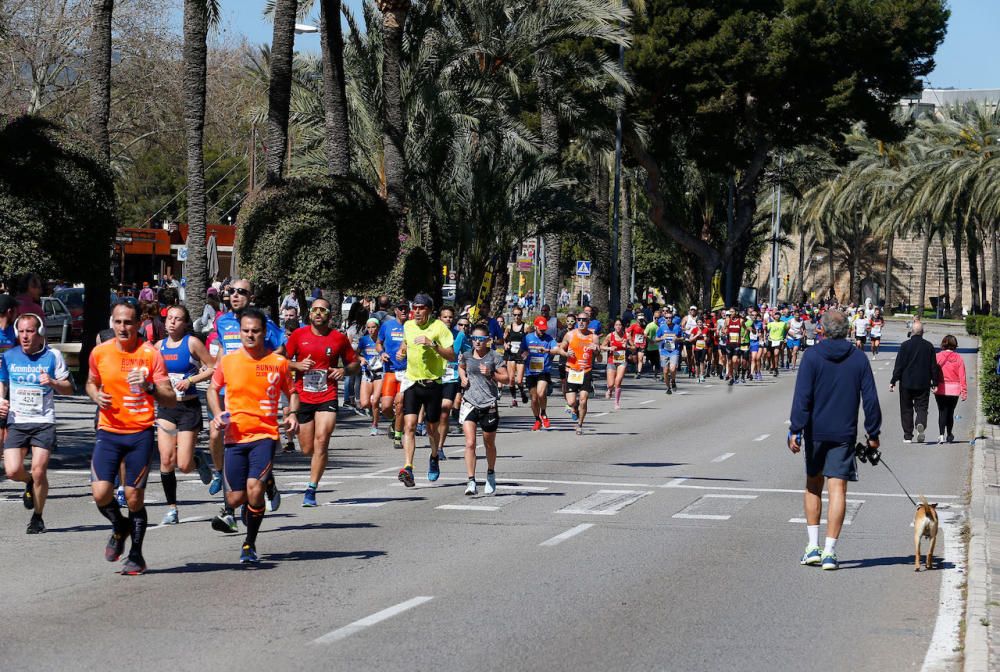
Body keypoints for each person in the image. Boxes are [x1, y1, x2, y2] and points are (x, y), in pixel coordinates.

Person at [86, 301, 176, 574]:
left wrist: (149, 387)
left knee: (134, 498)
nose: (123, 328)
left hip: (139, 433)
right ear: (112, 323)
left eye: (128, 323)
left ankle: (136, 555)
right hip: (109, 431)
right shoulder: (100, 352)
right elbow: (91, 382)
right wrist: (95, 395)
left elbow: (170, 399)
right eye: (118, 322)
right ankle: (119, 525)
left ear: (139, 324)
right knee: (101, 493)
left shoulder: (150, 354)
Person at [788, 310, 881, 571]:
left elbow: (802, 396)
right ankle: (830, 551)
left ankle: (812, 547)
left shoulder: (812, 356)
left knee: (813, 486)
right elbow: (871, 399)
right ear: (848, 330)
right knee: (837, 489)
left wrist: (795, 429)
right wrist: (873, 433)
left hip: (816, 432)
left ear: (823, 330)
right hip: (844, 433)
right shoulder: (858, 358)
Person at [207, 307, 298, 563]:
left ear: (264, 332)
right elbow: (213, 390)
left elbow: (291, 392)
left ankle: (249, 544)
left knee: (254, 492)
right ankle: (268, 483)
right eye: (245, 331)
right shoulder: (229, 361)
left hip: (264, 435)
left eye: (255, 331)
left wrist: (290, 414)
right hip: (234, 436)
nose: (249, 335)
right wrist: (216, 414)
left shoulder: (277, 362)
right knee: (236, 498)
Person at [208, 279, 286, 533]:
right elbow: (220, 353)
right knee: (215, 433)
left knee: (248, 449)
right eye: (232, 291)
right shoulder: (221, 322)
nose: (236, 295)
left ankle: (255, 485)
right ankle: (225, 477)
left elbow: (280, 354)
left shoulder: (266, 325)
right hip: (228, 387)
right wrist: (209, 372)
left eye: (242, 292)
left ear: (251, 296)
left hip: (257, 394)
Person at [0, 313, 74, 534]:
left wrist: (52, 382)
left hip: (43, 421)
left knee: (40, 470)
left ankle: (38, 517)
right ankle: (30, 482)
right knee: (13, 471)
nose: (25, 336)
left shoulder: (53, 356)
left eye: (30, 331)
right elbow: (2, 382)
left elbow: (69, 388)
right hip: (17, 420)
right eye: (21, 331)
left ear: (39, 333)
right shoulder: (9, 356)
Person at [286, 297, 359, 507]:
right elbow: (280, 361)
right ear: (310, 314)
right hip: (303, 397)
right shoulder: (298, 335)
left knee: (322, 440)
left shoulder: (338, 338)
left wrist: (343, 370)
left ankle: (311, 488)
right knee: (307, 449)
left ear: (330, 315)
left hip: (327, 395)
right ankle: (313, 470)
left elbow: (355, 365)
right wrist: (297, 365)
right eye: (315, 310)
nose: (318, 313)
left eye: (323, 310)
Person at [155, 305, 215, 525]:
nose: (172, 322)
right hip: (166, 410)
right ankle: (172, 508)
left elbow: (212, 367)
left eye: (177, 319)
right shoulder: (158, 346)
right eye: (169, 318)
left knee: (184, 465)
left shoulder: (192, 343)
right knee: (165, 458)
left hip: (188, 408)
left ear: (185, 323)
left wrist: (189, 381)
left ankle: (197, 459)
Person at [397, 294, 454, 487]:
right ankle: (408, 467)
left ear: (429, 310)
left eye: (422, 308)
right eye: (416, 307)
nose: (417, 311)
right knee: (410, 425)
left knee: (431, 428)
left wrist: (433, 345)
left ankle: (434, 456)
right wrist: (401, 351)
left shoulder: (439, 328)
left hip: (433, 384)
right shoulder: (408, 326)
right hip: (413, 382)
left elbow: (452, 355)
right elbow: (406, 342)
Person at [458, 325, 509, 495]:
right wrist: (463, 378)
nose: (477, 342)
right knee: (470, 442)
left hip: (489, 404)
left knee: (488, 443)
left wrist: (491, 374)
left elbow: (507, 378)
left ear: (488, 340)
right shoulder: (466, 356)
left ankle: (490, 473)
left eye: (481, 339)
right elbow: (461, 366)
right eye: (474, 338)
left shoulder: (494, 357)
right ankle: (471, 481)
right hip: (469, 403)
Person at [890, 320, 939, 444]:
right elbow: (933, 366)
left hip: (906, 382)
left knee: (906, 408)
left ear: (912, 332)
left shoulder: (905, 345)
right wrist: (935, 382)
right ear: (923, 332)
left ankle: (907, 435)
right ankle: (921, 423)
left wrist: (893, 380)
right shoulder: (929, 346)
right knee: (922, 407)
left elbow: (899, 365)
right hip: (923, 382)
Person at [556, 311, 599, 434]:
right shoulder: (570, 335)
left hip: (586, 371)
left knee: (584, 399)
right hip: (572, 370)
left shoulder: (593, 337)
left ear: (588, 322)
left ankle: (579, 424)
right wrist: (566, 353)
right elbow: (560, 349)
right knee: (571, 401)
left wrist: (596, 350)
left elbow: (599, 357)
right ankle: (575, 409)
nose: (581, 322)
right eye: (579, 319)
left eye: (584, 320)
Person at [377, 301, 408, 449]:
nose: (404, 311)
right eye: (401, 309)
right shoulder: (387, 326)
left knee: (400, 405)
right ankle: (395, 420)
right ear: (395, 311)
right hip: (390, 370)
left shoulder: (412, 326)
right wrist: (382, 353)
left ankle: (397, 436)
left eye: (406, 309)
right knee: (386, 407)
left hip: (406, 372)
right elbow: (378, 343)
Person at [523, 316, 558, 430]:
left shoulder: (549, 339)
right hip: (530, 371)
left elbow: (556, 349)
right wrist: (523, 354)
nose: (543, 331)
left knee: (541, 393)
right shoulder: (528, 338)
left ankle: (543, 413)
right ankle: (537, 420)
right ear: (535, 327)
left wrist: (547, 350)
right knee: (533, 398)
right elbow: (521, 350)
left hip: (544, 370)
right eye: (541, 328)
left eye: (544, 329)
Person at [934, 335, 967, 444]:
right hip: (954, 389)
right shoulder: (959, 358)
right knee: (950, 412)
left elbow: (933, 372)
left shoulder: (937, 356)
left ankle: (941, 435)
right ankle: (949, 434)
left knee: (942, 412)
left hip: (941, 388)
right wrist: (964, 392)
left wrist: (932, 384)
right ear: (955, 345)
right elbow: (962, 376)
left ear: (943, 344)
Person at [358, 317, 384, 436]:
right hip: (367, 373)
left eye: (373, 327)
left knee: (375, 401)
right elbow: (355, 354)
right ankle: (373, 413)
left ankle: (375, 424)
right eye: (369, 327)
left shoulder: (383, 340)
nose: (371, 330)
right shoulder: (363, 340)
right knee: (364, 403)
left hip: (379, 373)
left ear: (378, 328)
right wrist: (361, 358)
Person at [601, 319, 629, 409]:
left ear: (622, 326)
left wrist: (627, 346)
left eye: (620, 325)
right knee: (610, 384)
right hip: (611, 361)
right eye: (616, 325)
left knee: (618, 382)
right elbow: (602, 347)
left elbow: (634, 348)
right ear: (614, 326)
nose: (618, 327)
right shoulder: (610, 336)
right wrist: (609, 348)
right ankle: (609, 389)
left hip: (622, 361)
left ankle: (616, 402)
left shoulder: (626, 336)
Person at [503, 308, 528, 407]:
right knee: (511, 379)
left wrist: (526, 351)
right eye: (515, 315)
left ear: (522, 315)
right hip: (511, 354)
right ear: (512, 315)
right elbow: (504, 339)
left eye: (519, 315)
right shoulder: (509, 327)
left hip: (520, 354)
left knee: (520, 380)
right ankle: (514, 399)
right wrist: (505, 344)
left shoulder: (526, 327)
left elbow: (530, 339)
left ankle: (522, 392)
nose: (517, 317)